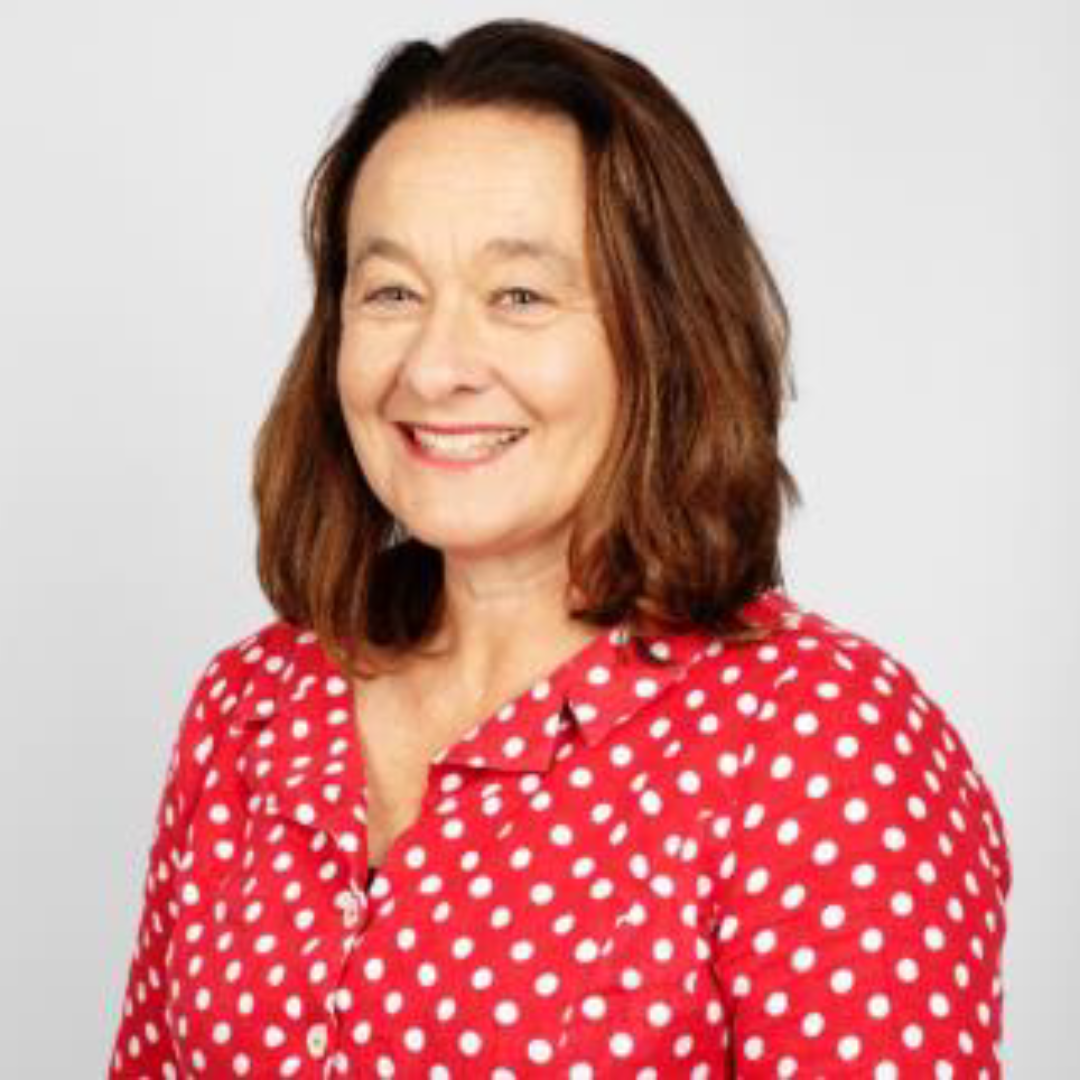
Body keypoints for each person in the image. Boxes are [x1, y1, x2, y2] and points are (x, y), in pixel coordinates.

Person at [107, 17, 1010, 1078]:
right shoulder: (250, 708)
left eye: (520, 297)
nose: (434, 367)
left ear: (661, 335)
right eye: (391, 292)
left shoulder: (819, 745)